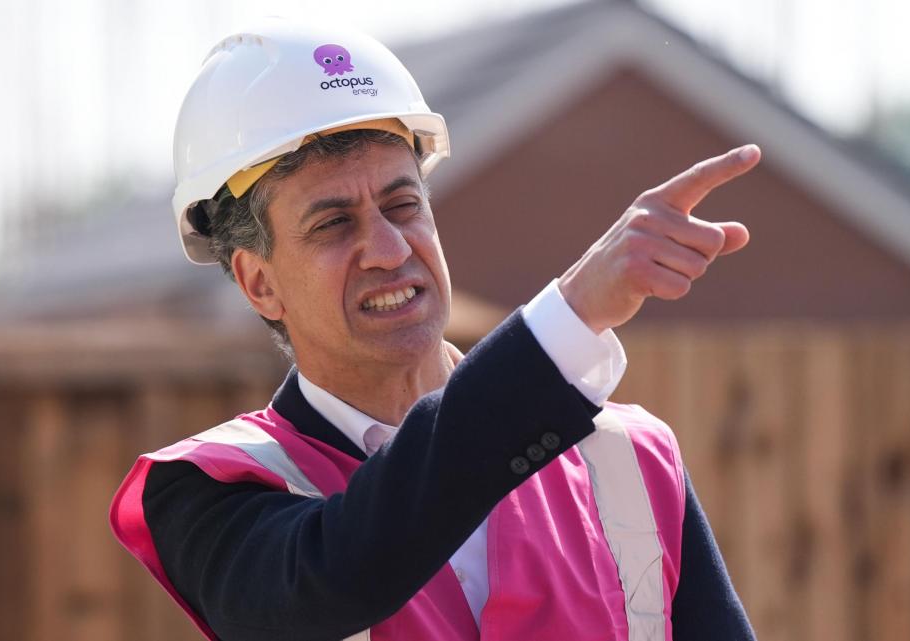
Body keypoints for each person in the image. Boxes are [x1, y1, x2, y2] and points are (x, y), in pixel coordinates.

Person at [110, 17, 759, 641]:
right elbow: (340, 574)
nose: (390, 249)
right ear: (260, 282)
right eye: (334, 223)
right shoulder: (209, 492)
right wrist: (568, 314)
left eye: (402, 205)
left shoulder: (632, 462)